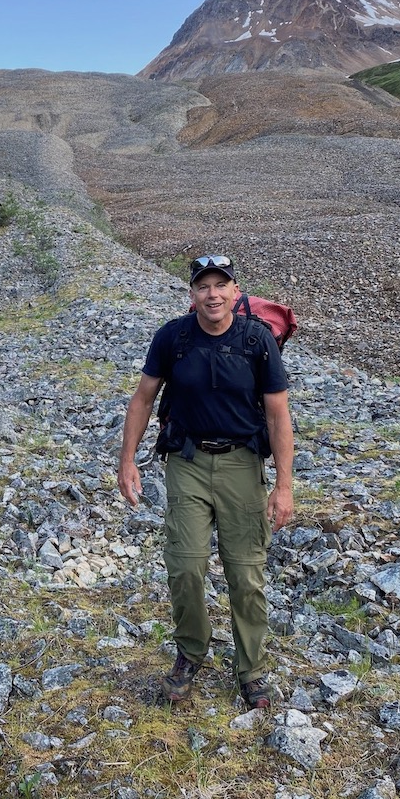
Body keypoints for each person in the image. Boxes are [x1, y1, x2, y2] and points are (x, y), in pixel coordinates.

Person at [118, 255, 294, 708]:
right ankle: (190, 653)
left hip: (242, 466)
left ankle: (251, 669)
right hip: (188, 462)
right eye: (203, 286)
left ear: (236, 292)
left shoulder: (257, 340)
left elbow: (278, 414)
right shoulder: (172, 338)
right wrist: (127, 460)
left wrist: (284, 486)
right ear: (191, 293)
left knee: (245, 572)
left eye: (222, 285)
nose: (212, 294)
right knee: (186, 564)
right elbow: (142, 399)